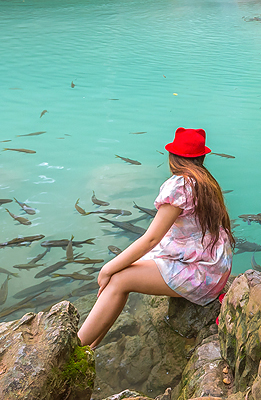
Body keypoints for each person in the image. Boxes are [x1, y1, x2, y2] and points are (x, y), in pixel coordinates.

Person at [78, 127, 234, 347]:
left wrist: (106, 269)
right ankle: (91, 346)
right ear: (202, 157)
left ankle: (73, 350)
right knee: (120, 274)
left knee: (118, 279)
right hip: (214, 267)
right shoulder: (206, 181)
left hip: (202, 274)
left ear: (172, 157)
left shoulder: (180, 186)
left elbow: (151, 239)